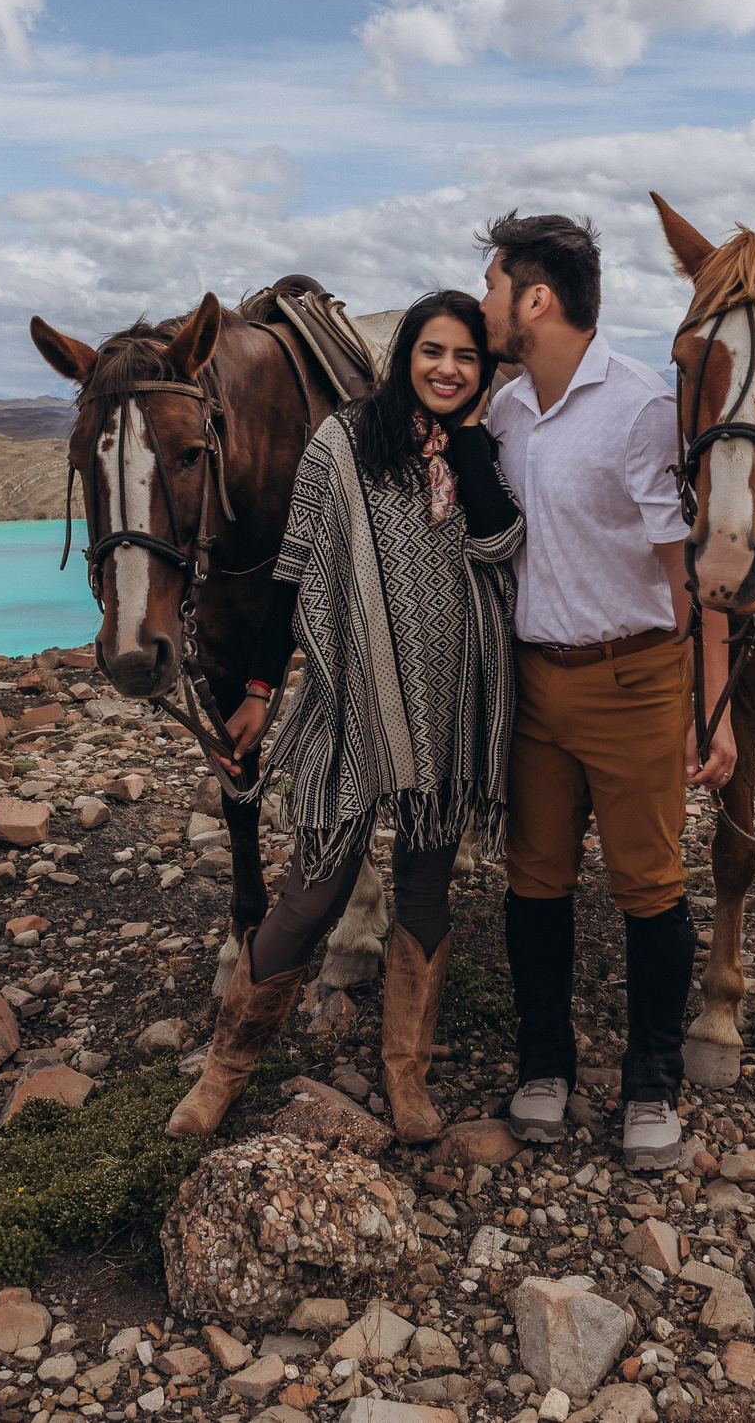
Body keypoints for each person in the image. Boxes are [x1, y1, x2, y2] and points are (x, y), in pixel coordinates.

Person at [165, 290, 524, 1143]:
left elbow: (503, 543)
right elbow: (292, 572)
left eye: (466, 357)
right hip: (350, 702)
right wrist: (259, 691)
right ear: (406, 355)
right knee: (313, 891)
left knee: (425, 892)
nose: (447, 368)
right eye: (432, 351)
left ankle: (407, 1079)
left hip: (448, 709)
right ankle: (224, 1073)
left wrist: (469, 445)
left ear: (482, 372)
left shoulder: (478, 448)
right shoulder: (344, 440)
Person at [477, 211, 736, 1171]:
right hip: (534, 680)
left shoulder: (638, 406)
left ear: (535, 299)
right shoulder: (506, 411)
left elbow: (690, 574)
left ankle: (651, 1082)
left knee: (649, 889)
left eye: (495, 286)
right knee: (533, 882)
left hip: (634, 679)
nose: (486, 304)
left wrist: (711, 703)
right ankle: (544, 1064)